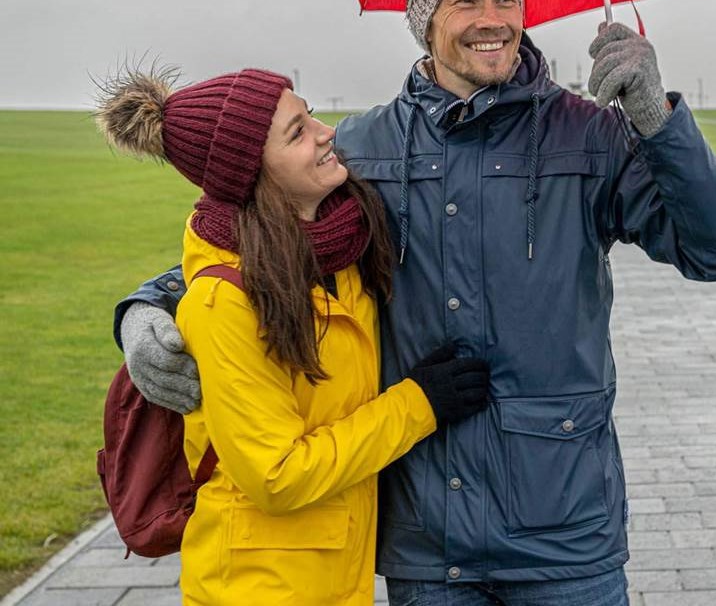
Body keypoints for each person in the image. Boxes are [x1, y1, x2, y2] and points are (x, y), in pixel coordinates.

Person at [114, 0, 716, 605]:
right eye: (466, 0)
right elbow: (257, 244)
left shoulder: (591, 135)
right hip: (428, 537)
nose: (492, 20)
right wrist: (150, 304)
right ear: (425, 23)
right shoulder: (362, 148)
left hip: (566, 534)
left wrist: (657, 121)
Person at [95, 66, 490, 605]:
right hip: (256, 585)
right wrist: (418, 404)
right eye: (297, 132)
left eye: (311, 116)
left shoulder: (341, 245)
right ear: (251, 173)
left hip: (332, 577)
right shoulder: (224, 303)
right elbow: (277, 476)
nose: (327, 133)